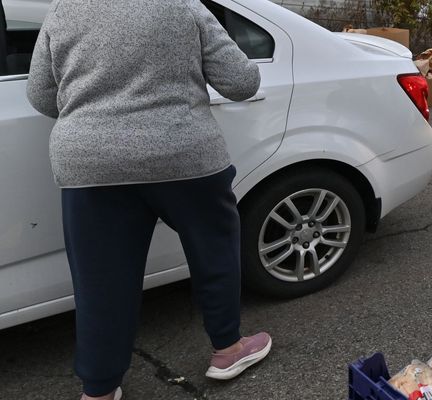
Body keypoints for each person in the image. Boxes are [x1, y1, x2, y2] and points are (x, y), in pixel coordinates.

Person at [26, 1, 272, 399]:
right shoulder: (183, 5)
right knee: (214, 251)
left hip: (89, 165)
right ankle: (228, 349)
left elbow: (40, 95)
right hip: (185, 156)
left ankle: (100, 389)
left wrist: (98, 115)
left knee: (100, 279)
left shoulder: (63, 9)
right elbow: (241, 83)